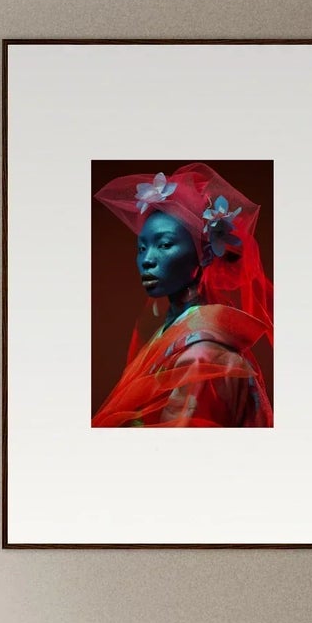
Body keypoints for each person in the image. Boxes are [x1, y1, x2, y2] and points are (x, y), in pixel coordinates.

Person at [92, 162, 273, 428]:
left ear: (207, 253)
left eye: (164, 244)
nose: (148, 259)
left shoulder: (202, 355)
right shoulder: (173, 336)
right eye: (142, 248)